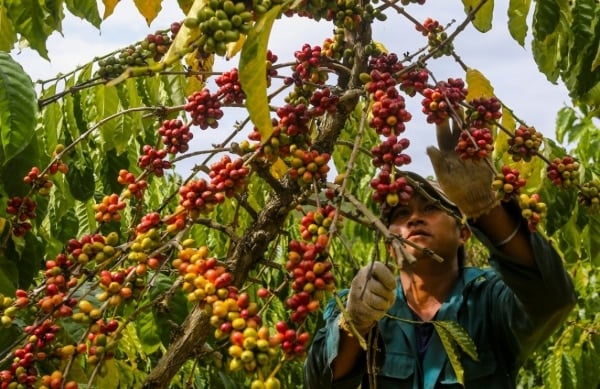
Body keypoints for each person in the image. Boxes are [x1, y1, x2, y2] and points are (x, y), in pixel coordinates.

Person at [303, 117, 577, 388]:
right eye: (401, 213)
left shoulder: (490, 300)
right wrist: (354, 325)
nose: (414, 219)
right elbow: (318, 382)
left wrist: (485, 206)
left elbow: (551, 298)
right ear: (389, 243)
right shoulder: (357, 303)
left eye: (431, 208)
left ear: (463, 233)